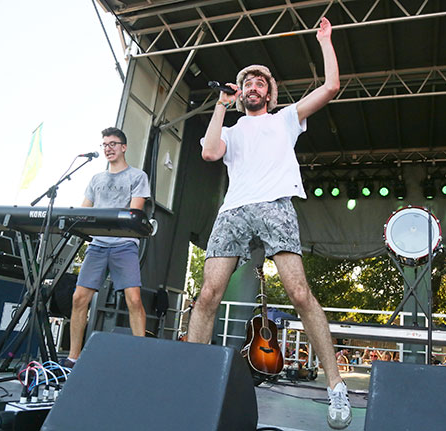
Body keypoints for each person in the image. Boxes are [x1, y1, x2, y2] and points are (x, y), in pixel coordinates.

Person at [186, 17, 351, 429]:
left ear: (269, 93)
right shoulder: (232, 128)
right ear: (241, 93)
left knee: (299, 292)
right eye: (248, 82)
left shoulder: (285, 119)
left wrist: (325, 41)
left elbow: (331, 87)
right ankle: (192, 378)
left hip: (275, 205)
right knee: (208, 294)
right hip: (234, 210)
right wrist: (221, 105)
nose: (253, 86)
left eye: (260, 82)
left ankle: (336, 386)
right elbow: (209, 153)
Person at [60, 127, 150, 369]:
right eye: (105, 144)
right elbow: (84, 211)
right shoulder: (96, 179)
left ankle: (141, 356)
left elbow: (134, 212)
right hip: (98, 245)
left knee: (134, 299)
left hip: (124, 244)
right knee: (79, 298)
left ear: (124, 147)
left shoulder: (137, 176)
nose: (108, 148)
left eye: (113, 144)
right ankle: (73, 357)